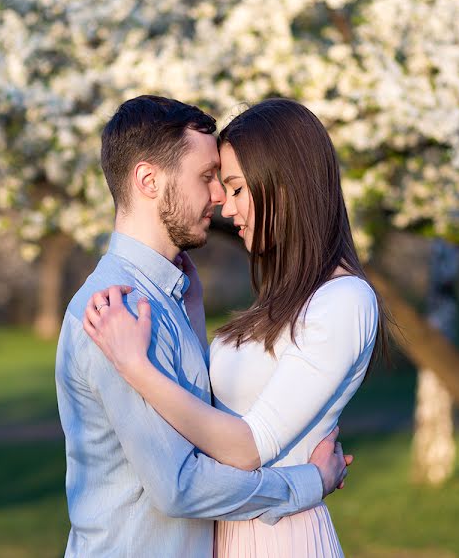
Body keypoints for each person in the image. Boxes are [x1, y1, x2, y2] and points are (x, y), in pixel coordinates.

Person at [84, 98, 387, 557]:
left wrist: (135, 367)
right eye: (219, 184)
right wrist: (194, 306)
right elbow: (216, 407)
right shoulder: (289, 296)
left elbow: (248, 447)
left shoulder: (345, 301)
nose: (225, 205)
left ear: (285, 187)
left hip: (278, 538)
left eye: (237, 188)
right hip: (234, 532)